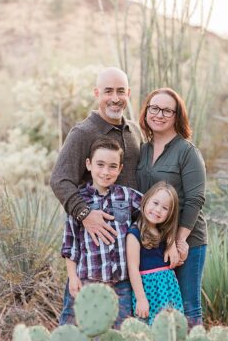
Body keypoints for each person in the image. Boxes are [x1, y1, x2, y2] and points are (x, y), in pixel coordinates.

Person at [136, 87, 207, 327]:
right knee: (158, 309)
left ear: (177, 116)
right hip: (152, 242)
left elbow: (196, 198)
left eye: (167, 110)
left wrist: (178, 242)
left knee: (187, 308)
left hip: (187, 240)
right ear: (146, 112)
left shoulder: (187, 151)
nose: (159, 114)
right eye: (154, 108)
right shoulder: (142, 150)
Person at [50, 67, 142, 247]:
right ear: (97, 93)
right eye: (108, 91)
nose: (115, 98)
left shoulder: (135, 131)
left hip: (137, 240)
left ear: (128, 94)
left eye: (121, 91)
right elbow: (59, 180)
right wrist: (85, 214)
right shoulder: (83, 133)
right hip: (100, 242)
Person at [60, 138, 143, 326]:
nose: (106, 172)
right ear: (89, 164)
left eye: (112, 166)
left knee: (120, 334)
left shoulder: (127, 196)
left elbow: (152, 211)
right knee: (85, 331)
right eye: (100, 164)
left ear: (120, 169)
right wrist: (73, 277)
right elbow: (70, 244)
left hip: (122, 284)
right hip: (89, 281)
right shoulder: (79, 201)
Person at [126, 181, 184, 325]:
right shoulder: (134, 234)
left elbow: (174, 261)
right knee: (150, 330)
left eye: (165, 208)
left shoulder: (165, 233)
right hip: (148, 290)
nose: (158, 210)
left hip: (168, 288)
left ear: (170, 214)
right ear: (145, 200)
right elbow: (133, 268)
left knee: (171, 328)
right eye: (155, 203)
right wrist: (141, 299)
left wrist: (181, 253)